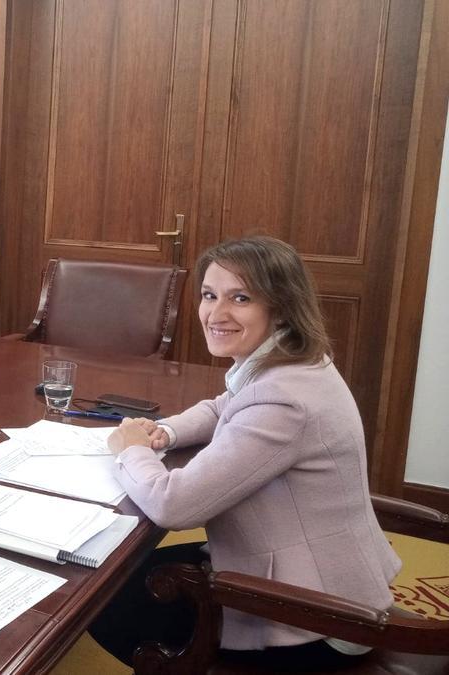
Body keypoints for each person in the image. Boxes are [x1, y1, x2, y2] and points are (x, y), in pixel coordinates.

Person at [90, 236, 401, 672]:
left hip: (318, 618)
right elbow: (224, 405)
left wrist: (133, 451)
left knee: (104, 602)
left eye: (240, 298)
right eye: (209, 295)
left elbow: (173, 505)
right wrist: (165, 432)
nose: (216, 314)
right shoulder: (291, 361)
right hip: (320, 572)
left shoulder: (284, 400)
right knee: (124, 570)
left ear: (281, 306)